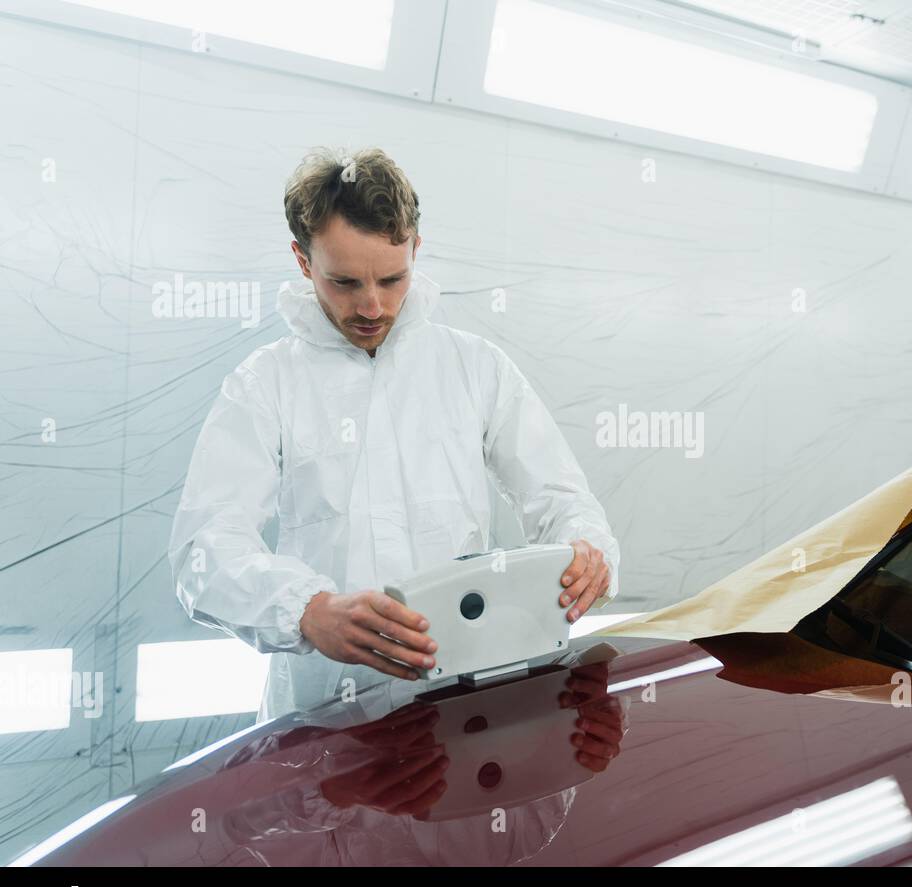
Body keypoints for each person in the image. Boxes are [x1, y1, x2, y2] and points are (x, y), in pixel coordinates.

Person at [168, 147, 620, 721]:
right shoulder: (264, 384)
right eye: (345, 282)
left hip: (467, 701)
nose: (372, 305)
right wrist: (307, 609)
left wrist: (588, 552)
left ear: (416, 250)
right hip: (326, 711)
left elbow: (563, 500)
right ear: (303, 262)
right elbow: (204, 550)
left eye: (393, 277)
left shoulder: (475, 367)